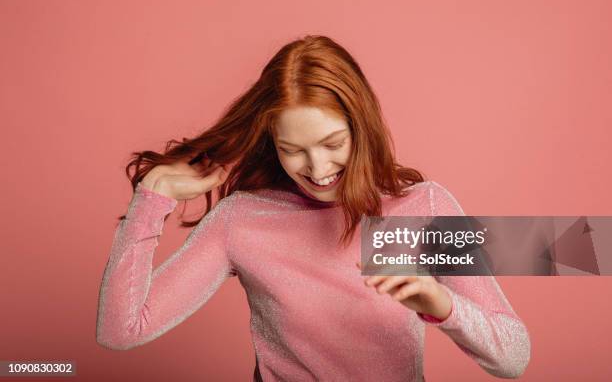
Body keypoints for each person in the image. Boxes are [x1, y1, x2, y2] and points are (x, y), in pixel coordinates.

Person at [95, 35, 531, 381]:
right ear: (273, 144)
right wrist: (151, 199)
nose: (318, 168)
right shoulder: (243, 221)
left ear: (361, 128)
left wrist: (440, 303)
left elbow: (513, 356)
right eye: (293, 149)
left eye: (332, 143)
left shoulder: (419, 209)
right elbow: (121, 331)